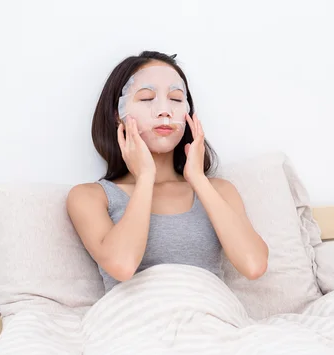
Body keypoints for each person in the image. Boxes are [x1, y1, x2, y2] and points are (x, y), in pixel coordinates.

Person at [67, 50, 268, 292]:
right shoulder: (89, 197)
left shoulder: (218, 190)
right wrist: (145, 178)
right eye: (146, 98)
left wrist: (198, 180)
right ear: (117, 115)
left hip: (211, 320)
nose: (165, 111)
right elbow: (122, 265)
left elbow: (254, 265)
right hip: (134, 323)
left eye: (175, 98)